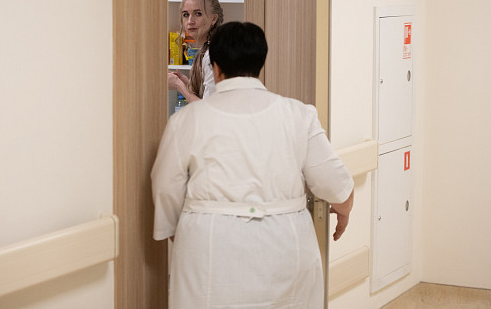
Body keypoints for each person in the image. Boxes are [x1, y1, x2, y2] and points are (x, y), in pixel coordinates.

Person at [152, 22, 355, 308]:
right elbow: (335, 183)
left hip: (209, 245)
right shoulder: (298, 115)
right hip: (284, 245)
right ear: (260, 62)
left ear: (215, 67)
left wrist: (182, 232)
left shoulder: (187, 120)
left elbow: (165, 187)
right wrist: (344, 210)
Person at [167, 0, 224, 103]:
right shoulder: (208, 48)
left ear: (213, 19)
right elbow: (208, 93)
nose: (190, 21)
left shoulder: (214, 55)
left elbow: (208, 109)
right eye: (186, 15)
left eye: (198, 14)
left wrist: (179, 86)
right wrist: (186, 83)